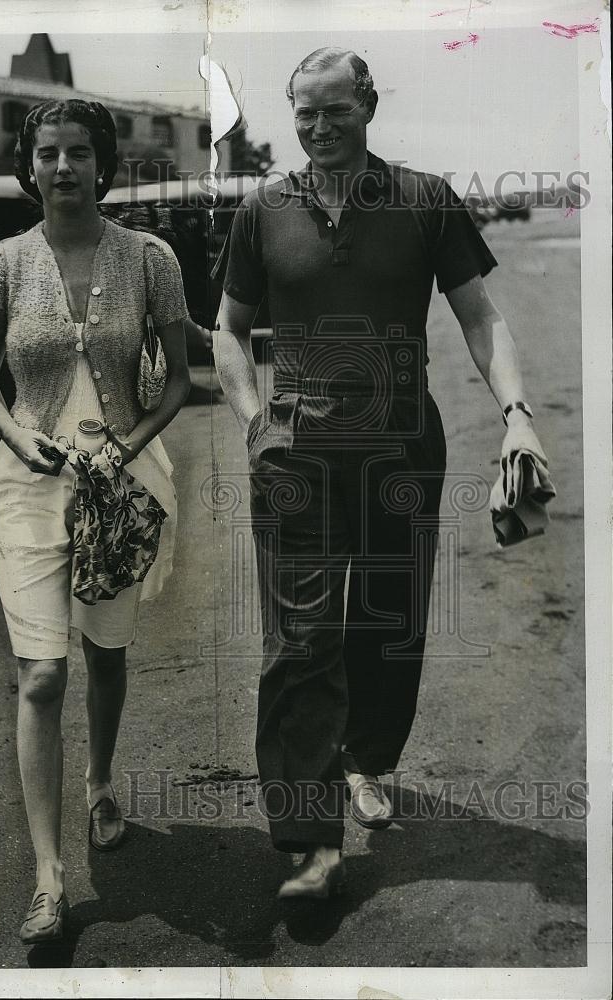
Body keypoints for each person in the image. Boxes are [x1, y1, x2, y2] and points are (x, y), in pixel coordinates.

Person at [212, 47, 549, 899]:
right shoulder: (264, 210)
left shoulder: (425, 200)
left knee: (388, 621)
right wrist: (257, 422)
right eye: (305, 113)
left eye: (336, 111)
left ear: (369, 107)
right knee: (300, 639)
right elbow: (227, 330)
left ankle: (371, 759)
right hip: (297, 454)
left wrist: (517, 416)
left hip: (403, 447)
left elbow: (480, 315)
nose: (319, 129)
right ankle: (308, 838)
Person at [0, 99, 191, 942]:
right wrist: (22, 439)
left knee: (105, 650)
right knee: (43, 674)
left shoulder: (151, 259)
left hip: (122, 490)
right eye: (48, 154)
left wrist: (130, 444)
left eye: (78, 154)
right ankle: (50, 878)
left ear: (103, 163)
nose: (63, 168)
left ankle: (99, 783)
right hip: (25, 487)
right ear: (30, 165)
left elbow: (177, 381)